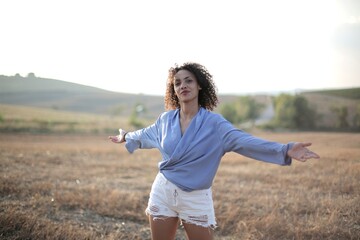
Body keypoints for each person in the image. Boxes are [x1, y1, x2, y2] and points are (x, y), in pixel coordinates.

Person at [109, 62, 320, 240]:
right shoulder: (165, 120)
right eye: (177, 83)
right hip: (162, 192)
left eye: (189, 80)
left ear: (200, 85)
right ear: (173, 90)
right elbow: (145, 134)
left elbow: (245, 141)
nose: (183, 85)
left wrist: (285, 149)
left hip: (195, 197)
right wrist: (126, 136)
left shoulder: (215, 125)